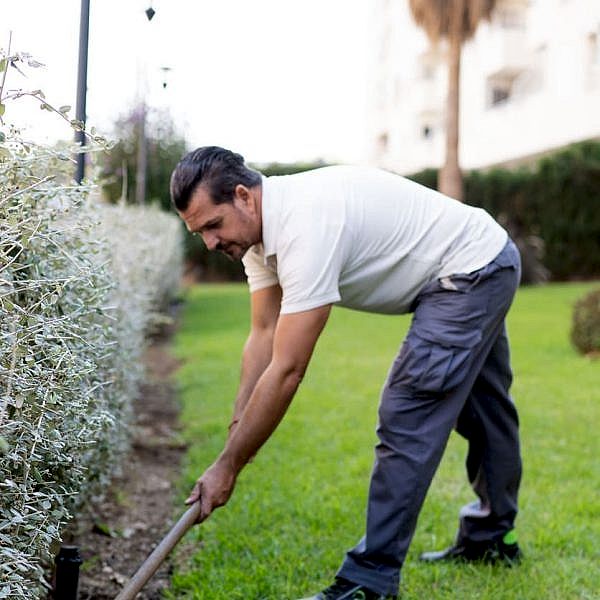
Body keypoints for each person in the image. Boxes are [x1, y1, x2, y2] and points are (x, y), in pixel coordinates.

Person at [169, 146, 523, 600]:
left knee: (408, 412)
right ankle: (493, 538)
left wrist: (229, 466)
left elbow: (288, 368)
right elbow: (263, 333)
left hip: (470, 272)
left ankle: (369, 581)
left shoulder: (306, 226)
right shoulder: (259, 238)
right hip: (484, 259)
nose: (211, 243)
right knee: (484, 412)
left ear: (243, 196)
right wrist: (238, 428)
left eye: (213, 226)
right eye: (200, 233)